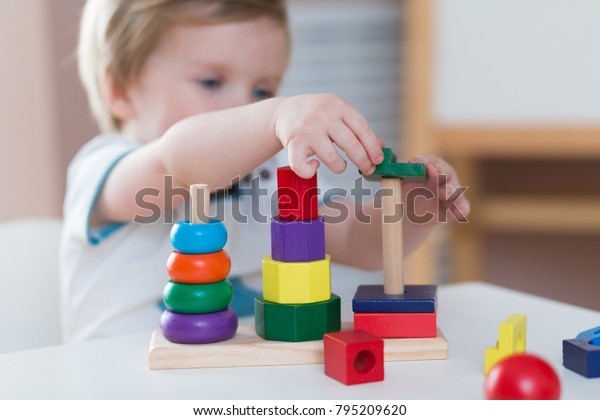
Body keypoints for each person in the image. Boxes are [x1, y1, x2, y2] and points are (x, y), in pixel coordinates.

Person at [60, 0, 470, 342]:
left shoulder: (276, 172)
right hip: (122, 388)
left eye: (262, 90)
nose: (244, 106)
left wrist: (415, 204)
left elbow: (355, 239)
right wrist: (273, 114)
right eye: (210, 81)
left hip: (250, 382)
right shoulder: (106, 166)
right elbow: (178, 162)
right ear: (119, 89)